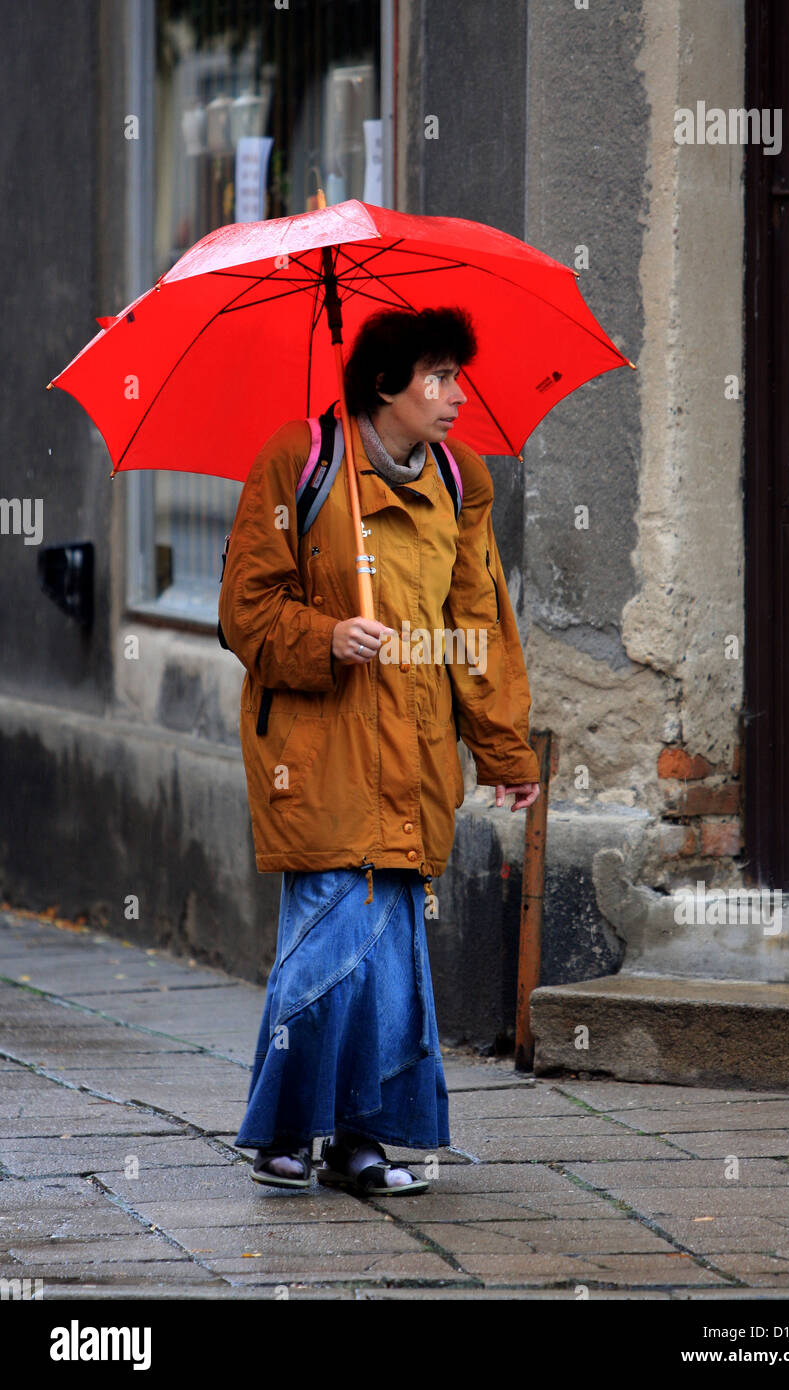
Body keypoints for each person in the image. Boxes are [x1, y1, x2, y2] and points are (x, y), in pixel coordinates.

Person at [219, 305, 540, 1196]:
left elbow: (477, 622)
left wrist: (504, 752)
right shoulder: (301, 459)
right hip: (319, 752)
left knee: (391, 960)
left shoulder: (458, 479)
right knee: (326, 941)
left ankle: (364, 1143)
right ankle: (284, 1133)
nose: (455, 397)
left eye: (457, 376)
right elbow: (243, 610)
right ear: (384, 386)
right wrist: (326, 636)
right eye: (438, 377)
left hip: (416, 750)